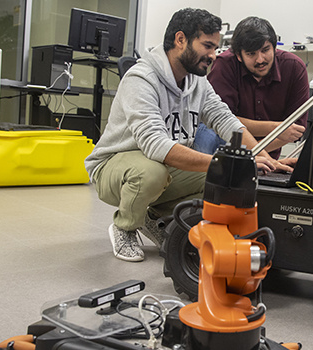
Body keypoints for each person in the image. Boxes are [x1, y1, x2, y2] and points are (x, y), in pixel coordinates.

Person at [85, 8, 290, 262]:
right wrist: (225, 161)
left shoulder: (197, 81)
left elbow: (224, 119)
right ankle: (125, 227)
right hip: (115, 165)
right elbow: (156, 146)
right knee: (153, 173)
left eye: (216, 47)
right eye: (207, 45)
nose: (214, 55)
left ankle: (154, 218)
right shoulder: (141, 79)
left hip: (163, 164)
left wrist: (263, 156)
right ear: (181, 40)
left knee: (224, 180)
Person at [194, 16, 310, 161]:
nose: (260, 59)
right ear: (239, 56)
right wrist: (276, 129)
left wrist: (259, 157)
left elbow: (295, 130)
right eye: (251, 54)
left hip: (266, 158)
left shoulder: (294, 67)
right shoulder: (225, 65)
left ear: (274, 47)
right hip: (225, 154)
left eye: (265, 50)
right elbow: (222, 121)